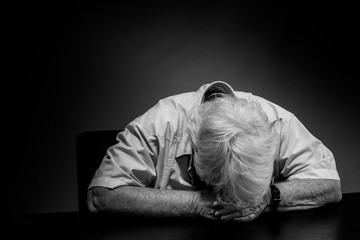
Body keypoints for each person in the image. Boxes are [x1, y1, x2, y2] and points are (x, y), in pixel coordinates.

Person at [87, 81, 342, 222]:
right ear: (196, 151)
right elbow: (102, 197)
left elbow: (330, 186)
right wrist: (198, 203)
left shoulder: (277, 123)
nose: (228, 203)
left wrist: (268, 197)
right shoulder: (158, 123)